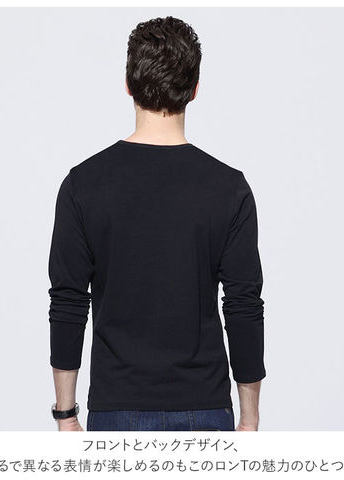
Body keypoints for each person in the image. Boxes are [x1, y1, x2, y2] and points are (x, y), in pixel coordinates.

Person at [48, 16, 266, 432]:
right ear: (195, 89)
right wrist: (250, 417)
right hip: (205, 407)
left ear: (128, 85)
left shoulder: (83, 184)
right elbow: (243, 305)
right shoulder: (228, 188)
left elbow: (68, 302)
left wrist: (66, 414)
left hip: (115, 409)